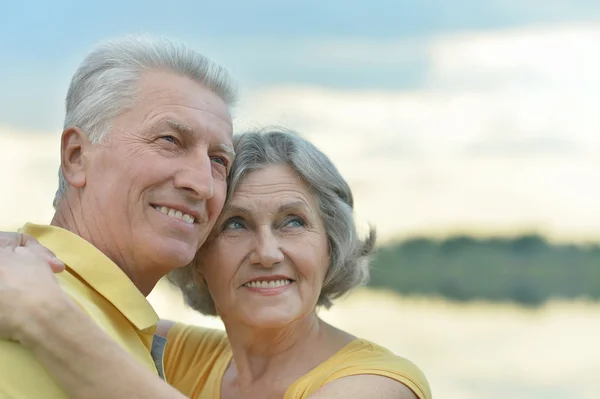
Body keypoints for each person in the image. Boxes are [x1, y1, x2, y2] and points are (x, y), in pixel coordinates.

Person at [0, 129, 432, 399]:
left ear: (330, 246)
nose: (266, 252)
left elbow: (58, 315)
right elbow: (87, 298)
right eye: (236, 225)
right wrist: (16, 248)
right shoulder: (180, 355)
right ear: (199, 255)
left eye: (293, 222)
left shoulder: (380, 384)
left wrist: (44, 316)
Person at [0, 34, 236, 398]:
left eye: (219, 161)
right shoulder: (12, 308)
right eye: (170, 141)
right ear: (77, 157)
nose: (203, 184)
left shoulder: (87, 320)